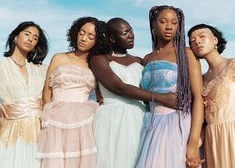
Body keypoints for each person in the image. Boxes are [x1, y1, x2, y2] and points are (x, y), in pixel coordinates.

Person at [90, 17, 178, 168]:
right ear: (112, 38)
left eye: (131, 31)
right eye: (125, 33)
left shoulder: (140, 61)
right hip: (113, 118)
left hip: (140, 117)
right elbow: (119, 87)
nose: (131, 35)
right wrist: (162, 98)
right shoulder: (99, 59)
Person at [135, 5, 204, 168]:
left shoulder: (186, 53)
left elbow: (198, 98)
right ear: (153, 24)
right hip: (150, 124)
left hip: (177, 123)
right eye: (163, 21)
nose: (169, 26)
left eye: (174, 23)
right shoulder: (146, 59)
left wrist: (193, 141)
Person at [37, 17, 107, 168]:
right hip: (56, 119)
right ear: (76, 32)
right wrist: (47, 117)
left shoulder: (94, 65)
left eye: (90, 36)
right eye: (82, 32)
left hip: (84, 121)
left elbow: (100, 93)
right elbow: (46, 93)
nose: (83, 38)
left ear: (97, 41)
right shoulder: (59, 58)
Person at [0, 21, 49, 168]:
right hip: (10, 132)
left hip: (40, 133)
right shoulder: (2, 66)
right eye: (27, 34)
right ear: (15, 37)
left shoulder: (42, 69)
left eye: (35, 38)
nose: (30, 39)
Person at [188, 23, 235, 168]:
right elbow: (203, 120)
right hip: (212, 138)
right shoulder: (200, 80)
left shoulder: (232, 65)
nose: (197, 42)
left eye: (202, 36)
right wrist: (195, 146)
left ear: (215, 40)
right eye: (192, 41)